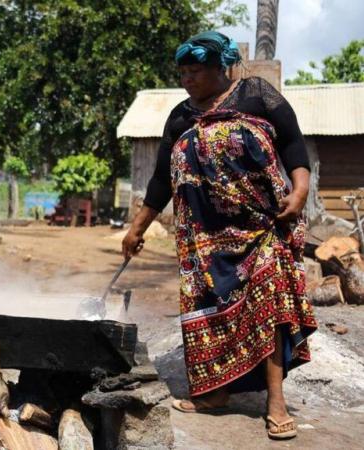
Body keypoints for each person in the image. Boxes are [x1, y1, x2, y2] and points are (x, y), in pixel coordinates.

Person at [122, 32, 317, 440]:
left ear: (220, 67)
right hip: (202, 238)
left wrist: (299, 192)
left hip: (260, 226)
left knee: (270, 305)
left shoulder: (257, 95)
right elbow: (160, 180)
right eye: (182, 72)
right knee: (208, 311)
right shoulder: (179, 116)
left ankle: (276, 402)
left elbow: (294, 147)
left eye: (195, 70)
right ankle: (215, 393)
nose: (187, 78)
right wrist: (137, 227)